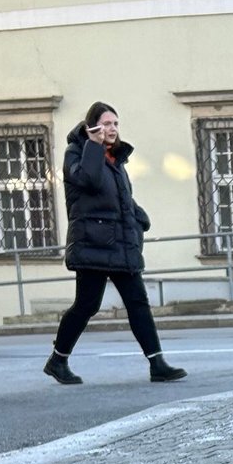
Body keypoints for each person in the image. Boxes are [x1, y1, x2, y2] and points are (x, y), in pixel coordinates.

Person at [44, 102, 186, 386]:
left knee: (138, 302)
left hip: (121, 243)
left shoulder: (116, 160)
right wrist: (93, 146)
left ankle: (157, 363)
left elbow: (122, 198)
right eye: (106, 124)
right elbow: (91, 180)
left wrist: (139, 217)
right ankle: (58, 360)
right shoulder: (77, 152)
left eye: (116, 124)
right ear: (92, 126)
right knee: (87, 305)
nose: (112, 129)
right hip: (93, 243)